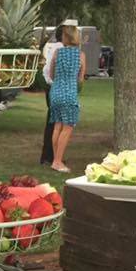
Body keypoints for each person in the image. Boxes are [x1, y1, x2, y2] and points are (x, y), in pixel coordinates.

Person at [49, 20, 86, 172]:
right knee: (68, 127)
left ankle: (55, 160)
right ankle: (58, 161)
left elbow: (51, 74)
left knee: (57, 126)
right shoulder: (80, 55)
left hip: (55, 92)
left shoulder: (57, 53)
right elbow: (80, 79)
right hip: (69, 93)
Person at [39, 25, 64, 165]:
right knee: (56, 123)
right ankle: (51, 156)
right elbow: (49, 70)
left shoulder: (53, 48)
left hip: (51, 87)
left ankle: (48, 155)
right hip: (57, 87)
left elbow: (46, 70)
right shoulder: (60, 49)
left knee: (52, 122)